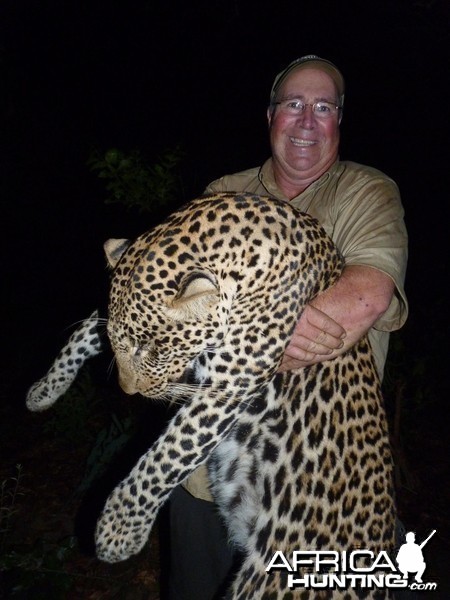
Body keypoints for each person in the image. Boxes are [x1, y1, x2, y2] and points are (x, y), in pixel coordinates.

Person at [167, 55, 408, 600]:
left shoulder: (367, 193)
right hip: (205, 475)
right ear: (270, 115)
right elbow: (178, 312)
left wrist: (235, 332)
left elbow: (365, 297)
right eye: (293, 104)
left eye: (323, 108)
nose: (306, 120)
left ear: (339, 122)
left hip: (319, 493)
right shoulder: (222, 192)